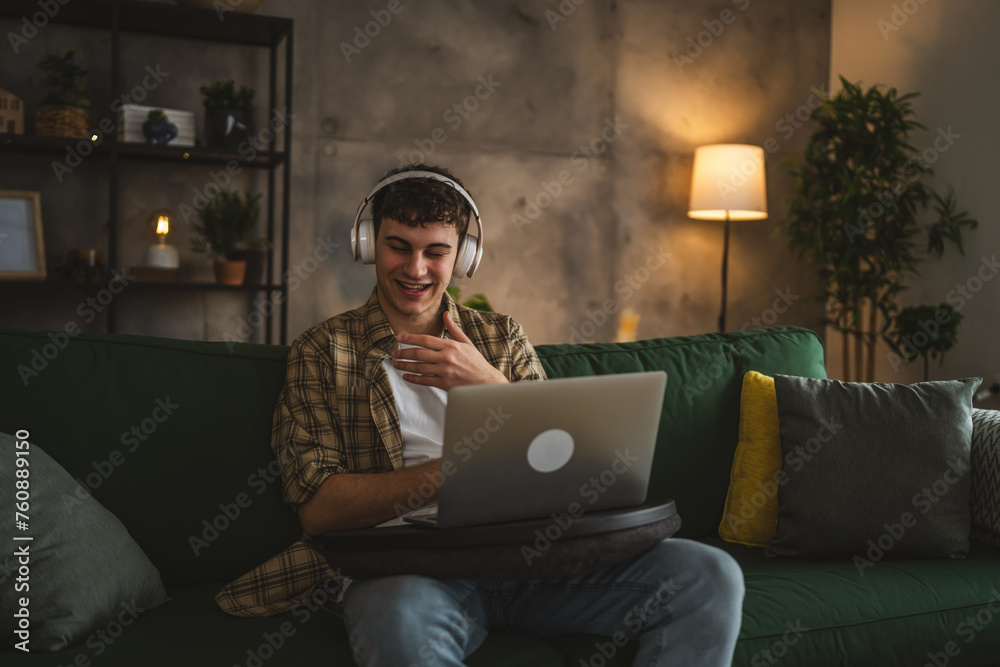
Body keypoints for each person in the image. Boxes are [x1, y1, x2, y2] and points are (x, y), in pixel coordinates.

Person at [224, 163, 745, 666]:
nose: (415, 269)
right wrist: (456, 473)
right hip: (411, 572)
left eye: (436, 251)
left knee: (709, 573)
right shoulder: (322, 350)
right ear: (368, 244)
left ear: (464, 256)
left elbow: (570, 475)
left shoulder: (501, 338)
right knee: (396, 618)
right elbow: (318, 510)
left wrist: (492, 387)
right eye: (397, 246)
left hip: (536, 562)